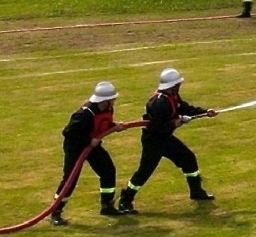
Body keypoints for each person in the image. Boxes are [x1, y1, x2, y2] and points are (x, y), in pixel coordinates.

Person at [119, 68, 217, 212]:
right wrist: (175, 123)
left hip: (165, 138)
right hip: (154, 140)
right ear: (173, 85)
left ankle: (196, 191)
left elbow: (184, 108)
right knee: (145, 171)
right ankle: (125, 200)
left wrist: (205, 112)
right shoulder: (158, 103)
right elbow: (156, 127)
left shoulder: (173, 96)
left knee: (188, 158)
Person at [51, 81, 130, 226]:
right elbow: (69, 133)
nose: (114, 101)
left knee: (107, 170)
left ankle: (107, 206)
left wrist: (115, 126)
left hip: (91, 145)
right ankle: (55, 212)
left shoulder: (107, 109)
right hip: (76, 147)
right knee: (70, 180)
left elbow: (102, 125)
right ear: (104, 101)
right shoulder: (84, 114)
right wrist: (89, 140)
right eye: (112, 99)